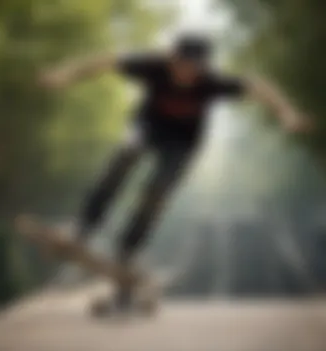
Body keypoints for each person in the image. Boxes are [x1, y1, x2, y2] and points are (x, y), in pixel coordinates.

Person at [39, 35, 312, 310]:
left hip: (182, 145)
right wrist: (65, 74)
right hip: (147, 129)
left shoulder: (212, 83)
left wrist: (287, 113)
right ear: (172, 60)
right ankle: (83, 227)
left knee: (156, 194)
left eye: (194, 69)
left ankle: (128, 250)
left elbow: (258, 86)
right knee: (126, 153)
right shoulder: (152, 66)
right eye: (182, 67)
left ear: (204, 67)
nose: (187, 74)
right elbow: (106, 60)